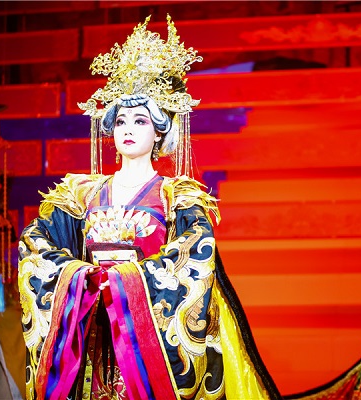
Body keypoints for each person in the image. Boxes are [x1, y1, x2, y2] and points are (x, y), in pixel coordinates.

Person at [18, 15, 281, 400]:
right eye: (120, 120)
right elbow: (36, 246)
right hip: (90, 337)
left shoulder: (178, 198)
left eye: (139, 120)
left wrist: (126, 284)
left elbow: (193, 261)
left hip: (145, 348)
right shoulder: (80, 196)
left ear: (159, 130)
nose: (127, 129)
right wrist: (80, 279)